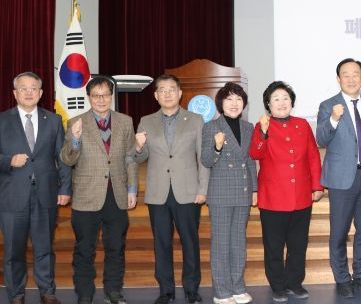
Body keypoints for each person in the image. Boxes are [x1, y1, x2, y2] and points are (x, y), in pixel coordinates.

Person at [60, 75, 139, 304]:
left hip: (117, 194)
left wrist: (132, 188)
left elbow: (130, 157)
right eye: (96, 95)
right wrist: (75, 139)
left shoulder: (125, 121)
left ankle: (113, 291)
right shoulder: (75, 122)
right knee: (85, 249)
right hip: (87, 196)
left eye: (105, 95)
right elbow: (67, 159)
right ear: (89, 97)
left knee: (116, 247)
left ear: (111, 96)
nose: (101, 99)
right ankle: (85, 293)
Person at [133, 74, 209, 304]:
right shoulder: (146, 121)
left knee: (190, 242)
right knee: (162, 243)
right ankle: (165, 291)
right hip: (158, 192)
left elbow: (202, 157)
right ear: (156, 95)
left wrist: (203, 188)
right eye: (162, 90)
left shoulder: (195, 120)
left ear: (180, 93)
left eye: (172, 89)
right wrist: (138, 146)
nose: (167, 94)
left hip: (188, 191)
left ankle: (191, 289)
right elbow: (140, 158)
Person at [0, 72, 72, 304]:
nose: (29, 92)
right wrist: (8, 161)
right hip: (12, 195)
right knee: (14, 250)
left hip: (46, 194)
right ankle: (16, 294)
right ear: (15, 93)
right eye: (23, 88)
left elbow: (63, 157)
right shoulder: (2, 120)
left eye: (34, 88)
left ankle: (47, 291)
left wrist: (65, 188)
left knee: (44, 247)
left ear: (41, 93)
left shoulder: (53, 120)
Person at [250, 81, 323, 303]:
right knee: (274, 246)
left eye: (285, 98)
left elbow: (313, 156)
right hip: (273, 198)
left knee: (298, 245)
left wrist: (317, 185)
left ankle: (294, 283)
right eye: (276, 99)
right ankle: (278, 285)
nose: (281, 103)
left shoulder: (302, 124)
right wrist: (263, 133)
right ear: (268, 104)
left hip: (301, 196)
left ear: (291, 102)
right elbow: (255, 153)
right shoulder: (262, 125)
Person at [316, 58, 361, 299]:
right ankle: (342, 278)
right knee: (339, 232)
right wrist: (333, 119)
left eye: (356, 74)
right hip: (342, 178)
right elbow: (321, 139)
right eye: (346, 74)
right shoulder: (328, 105)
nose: (351, 79)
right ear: (338, 79)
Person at [201, 82, 258, 304]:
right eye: (229, 99)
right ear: (221, 103)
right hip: (221, 193)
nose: (234, 103)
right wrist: (217, 147)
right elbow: (206, 160)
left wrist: (254, 189)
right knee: (221, 244)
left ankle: (238, 287)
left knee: (238, 242)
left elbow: (250, 161)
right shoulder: (211, 127)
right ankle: (222, 291)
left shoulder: (248, 127)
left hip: (243, 191)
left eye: (238, 99)